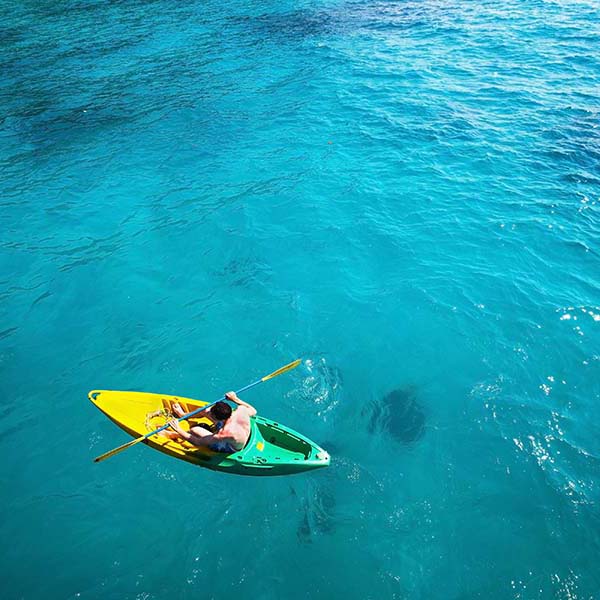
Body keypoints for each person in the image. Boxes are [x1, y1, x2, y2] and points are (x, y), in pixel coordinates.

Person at [164, 391, 257, 453]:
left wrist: (178, 429)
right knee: (204, 410)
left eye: (212, 414)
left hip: (230, 445)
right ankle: (183, 415)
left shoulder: (224, 433)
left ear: (217, 418)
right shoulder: (241, 410)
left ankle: (172, 435)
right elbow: (253, 410)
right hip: (234, 428)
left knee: (195, 430)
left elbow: (198, 442)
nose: (210, 413)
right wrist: (234, 399)